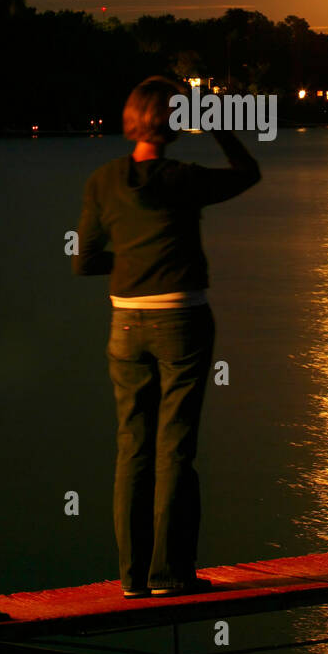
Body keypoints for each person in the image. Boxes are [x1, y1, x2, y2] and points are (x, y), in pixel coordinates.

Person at [73, 77, 261, 599]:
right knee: (175, 449)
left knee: (132, 446)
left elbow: (84, 261)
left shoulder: (102, 180)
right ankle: (170, 574)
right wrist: (221, 125)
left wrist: (132, 262)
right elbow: (248, 173)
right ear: (175, 123)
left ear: (132, 119)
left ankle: (132, 577)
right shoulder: (183, 178)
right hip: (182, 321)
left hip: (125, 325)